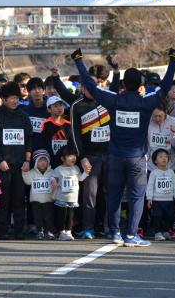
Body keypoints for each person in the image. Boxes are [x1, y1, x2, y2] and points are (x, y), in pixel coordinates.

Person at [71, 47, 175, 248]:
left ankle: (115, 232)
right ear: (140, 85)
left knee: (114, 195)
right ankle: (130, 234)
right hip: (137, 158)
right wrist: (173, 60)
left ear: (123, 84)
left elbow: (91, 86)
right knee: (136, 196)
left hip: (115, 156)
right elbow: (165, 87)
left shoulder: (113, 100)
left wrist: (79, 61)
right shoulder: (146, 102)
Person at [0, 81, 33, 240]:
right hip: (3, 165)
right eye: (11, 98)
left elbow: (29, 140)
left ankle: (19, 230)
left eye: (16, 98)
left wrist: (28, 160)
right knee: (3, 199)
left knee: (19, 198)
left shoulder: (23, 116)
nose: (15, 101)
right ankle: (2, 230)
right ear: (4, 99)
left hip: (20, 164)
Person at [68, 65, 111, 240]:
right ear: (82, 87)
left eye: (95, 85)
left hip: (109, 155)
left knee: (108, 193)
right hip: (90, 157)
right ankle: (88, 228)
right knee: (89, 194)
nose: (92, 89)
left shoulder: (108, 100)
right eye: (88, 86)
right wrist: (82, 157)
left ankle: (106, 226)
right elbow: (74, 134)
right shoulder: (76, 106)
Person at [50, 146, 90, 240]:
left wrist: (86, 173)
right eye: (70, 156)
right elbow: (52, 176)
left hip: (73, 198)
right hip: (61, 198)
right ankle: (61, 232)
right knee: (62, 215)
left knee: (70, 216)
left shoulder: (76, 168)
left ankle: (68, 231)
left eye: (74, 155)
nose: (73, 158)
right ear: (62, 158)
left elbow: (80, 178)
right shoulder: (58, 169)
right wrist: (53, 181)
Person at [146, 148, 175, 241]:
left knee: (169, 216)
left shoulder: (171, 172)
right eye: (161, 157)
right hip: (157, 200)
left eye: (166, 156)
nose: (164, 158)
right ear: (155, 161)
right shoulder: (154, 173)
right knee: (157, 216)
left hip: (169, 200)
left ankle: (166, 231)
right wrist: (149, 198)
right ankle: (157, 232)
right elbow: (150, 186)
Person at [22, 149, 56, 240]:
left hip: (48, 200)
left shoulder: (52, 172)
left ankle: (49, 231)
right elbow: (27, 181)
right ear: (36, 162)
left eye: (45, 160)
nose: (43, 163)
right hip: (35, 200)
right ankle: (39, 230)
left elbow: (56, 181)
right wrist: (25, 172)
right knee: (38, 217)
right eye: (40, 160)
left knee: (49, 217)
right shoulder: (32, 172)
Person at [147, 103, 175, 173]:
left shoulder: (173, 121)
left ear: (165, 113)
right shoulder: (147, 121)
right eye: (154, 116)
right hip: (152, 166)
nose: (157, 119)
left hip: (169, 165)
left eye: (160, 116)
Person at [41, 96, 72, 162]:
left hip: (66, 160)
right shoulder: (46, 124)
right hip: (51, 160)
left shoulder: (69, 124)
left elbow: (71, 142)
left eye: (61, 105)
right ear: (49, 109)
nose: (59, 108)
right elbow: (45, 143)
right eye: (55, 106)